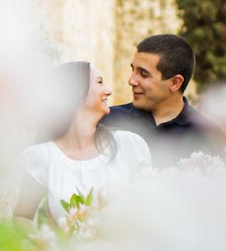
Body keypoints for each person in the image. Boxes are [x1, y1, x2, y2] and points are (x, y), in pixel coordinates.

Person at [14, 61, 151, 225]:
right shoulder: (43, 156)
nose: (108, 90)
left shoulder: (129, 145)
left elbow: (151, 211)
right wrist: (49, 245)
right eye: (99, 82)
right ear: (78, 92)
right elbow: (21, 217)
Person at [102, 34, 225, 166]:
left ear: (175, 83)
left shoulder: (208, 136)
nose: (131, 81)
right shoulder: (108, 120)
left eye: (143, 74)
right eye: (133, 70)